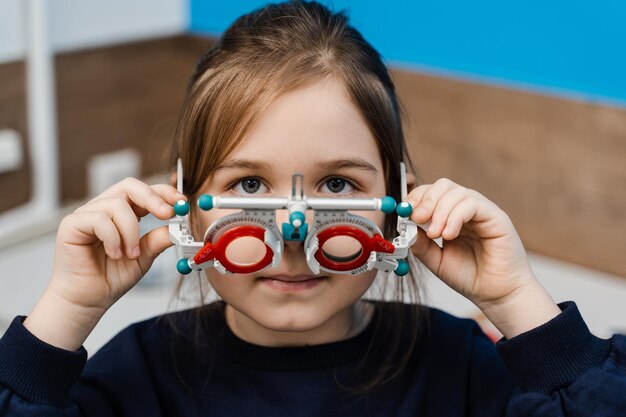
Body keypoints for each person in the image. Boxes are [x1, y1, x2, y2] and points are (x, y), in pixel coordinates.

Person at [1, 1, 624, 416]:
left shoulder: (460, 365)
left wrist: (519, 303)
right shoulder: (138, 374)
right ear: (188, 208)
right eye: (249, 186)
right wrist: (66, 312)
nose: (294, 236)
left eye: (337, 185)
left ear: (397, 203)